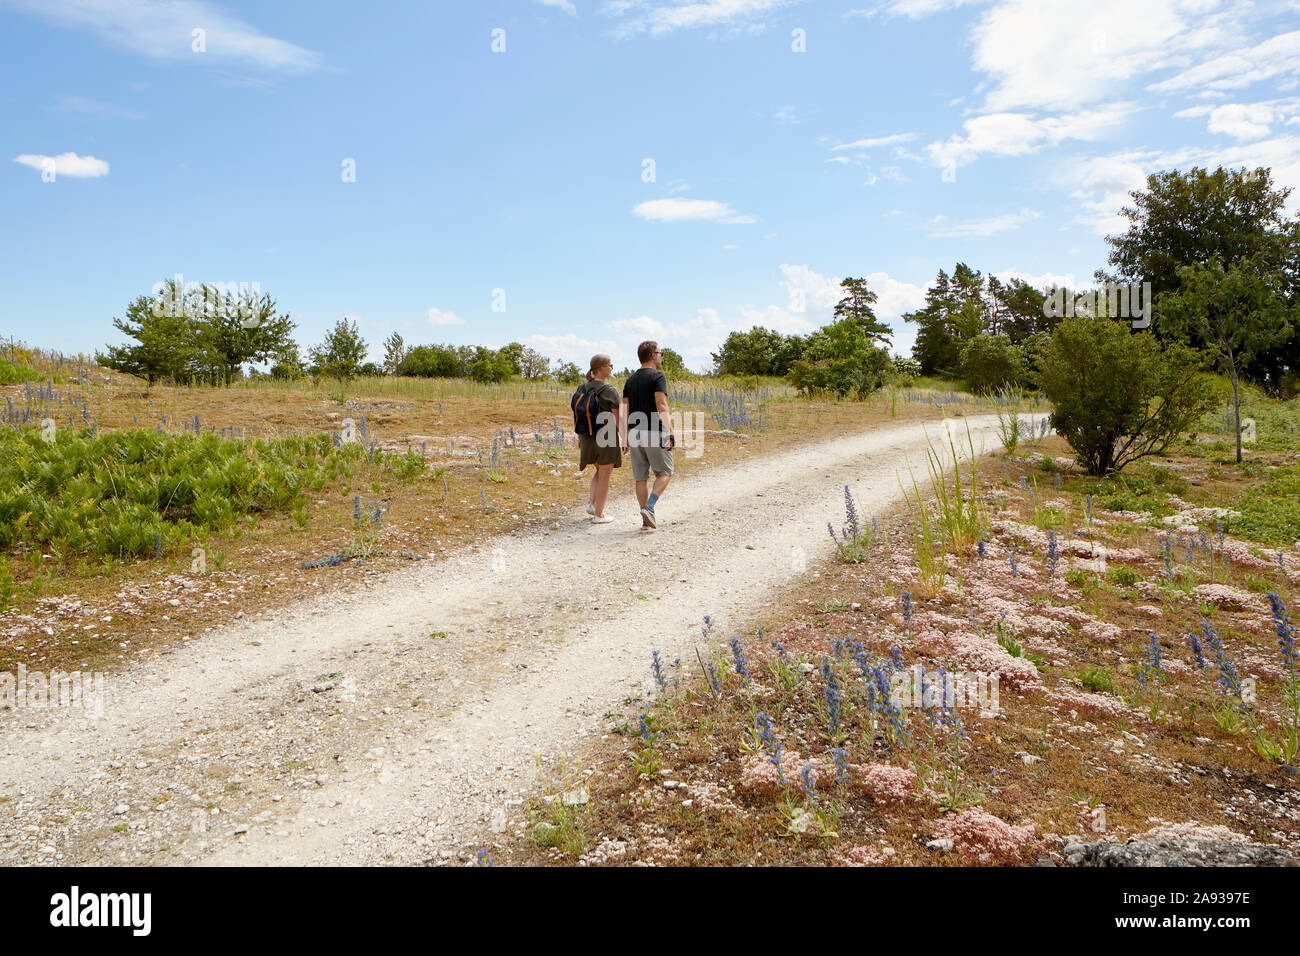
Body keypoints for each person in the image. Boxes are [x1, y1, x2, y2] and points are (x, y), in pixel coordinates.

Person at [620, 340, 675, 530]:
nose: (661, 356)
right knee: (665, 472)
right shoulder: (658, 376)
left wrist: (624, 436)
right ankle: (650, 507)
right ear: (652, 355)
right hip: (654, 430)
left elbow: (624, 410)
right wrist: (670, 432)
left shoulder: (630, 380)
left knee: (640, 478)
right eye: (660, 353)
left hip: (635, 432)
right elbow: (661, 405)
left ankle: (645, 519)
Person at [570, 353, 621, 523]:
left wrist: (578, 436)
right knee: (605, 474)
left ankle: (592, 504)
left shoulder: (581, 388)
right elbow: (617, 417)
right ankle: (599, 514)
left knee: (599, 470)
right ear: (602, 368)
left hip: (586, 435)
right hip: (606, 436)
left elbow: (577, 414)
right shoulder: (609, 390)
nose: (612, 368)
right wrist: (625, 438)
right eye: (610, 365)